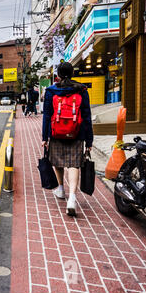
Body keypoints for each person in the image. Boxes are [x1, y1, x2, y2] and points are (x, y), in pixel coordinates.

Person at [41, 62, 93, 217]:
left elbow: (47, 116)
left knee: (57, 161)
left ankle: (61, 189)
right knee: (74, 164)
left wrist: (45, 137)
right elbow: (87, 116)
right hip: (77, 133)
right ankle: (72, 198)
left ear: (57, 75)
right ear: (72, 74)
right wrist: (89, 140)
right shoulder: (81, 89)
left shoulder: (51, 91)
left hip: (56, 132)